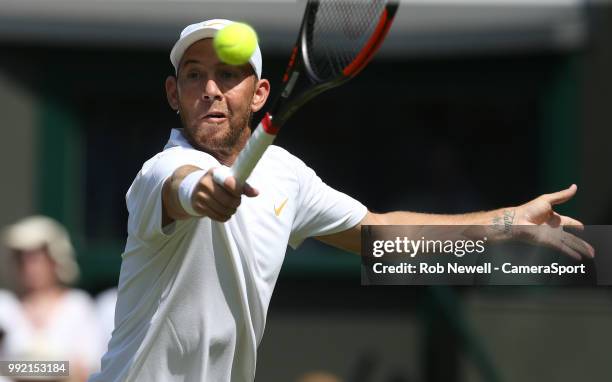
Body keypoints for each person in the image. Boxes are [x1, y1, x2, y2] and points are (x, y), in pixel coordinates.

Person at [90, 19, 593, 382]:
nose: (211, 89)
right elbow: (185, 188)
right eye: (195, 75)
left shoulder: (287, 175)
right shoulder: (159, 171)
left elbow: (381, 239)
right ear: (174, 94)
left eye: (228, 75)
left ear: (261, 93)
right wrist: (206, 195)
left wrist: (505, 224)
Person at [1, 216, 104, 382]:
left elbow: (89, 368)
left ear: (55, 261)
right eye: (22, 258)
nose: (29, 267)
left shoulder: (77, 306)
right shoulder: (4, 306)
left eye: (36, 259)